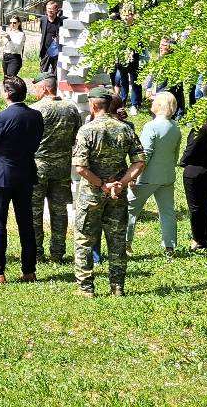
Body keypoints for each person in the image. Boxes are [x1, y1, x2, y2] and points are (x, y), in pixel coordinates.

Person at [72, 86, 146, 297]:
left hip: (91, 195)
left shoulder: (87, 130)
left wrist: (102, 184)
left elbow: (80, 168)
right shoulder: (125, 129)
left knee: (84, 239)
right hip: (117, 195)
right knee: (116, 240)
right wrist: (121, 183)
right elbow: (139, 162)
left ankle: (86, 288)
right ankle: (117, 286)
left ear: (93, 105)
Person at [0, 75, 43, 284]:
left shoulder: (1, 118)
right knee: (26, 223)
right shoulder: (35, 116)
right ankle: (29, 270)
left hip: (1, 175)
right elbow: (35, 143)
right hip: (25, 173)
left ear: (7, 94)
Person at [30, 73, 83, 264]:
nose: (34, 92)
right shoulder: (71, 108)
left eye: (36, 88)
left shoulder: (35, 110)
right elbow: (77, 136)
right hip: (62, 168)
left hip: (37, 168)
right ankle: (57, 253)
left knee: (34, 212)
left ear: (44, 88)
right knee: (59, 211)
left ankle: (36, 253)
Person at [127, 91, 182, 255]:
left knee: (130, 208)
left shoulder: (151, 126)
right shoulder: (175, 127)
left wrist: (133, 175)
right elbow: (175, 154)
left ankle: (125, 243)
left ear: (159, 105)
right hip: (167, 176)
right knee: (167, 211)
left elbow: (144, 155)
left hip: (147, 177)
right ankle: (169, 246)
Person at [181, 117, 207, 250]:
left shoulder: (201, 129)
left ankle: (198, 239)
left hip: (195, 171)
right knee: (205, 204)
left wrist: (182, 161)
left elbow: (191, 149)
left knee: (195, 207)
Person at [38, 0, 64, 74]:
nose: (49, 11)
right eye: (48, 9)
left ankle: (54, 84)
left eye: (51, 9)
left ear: (56, 10)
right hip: (45, 51)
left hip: (56, 51)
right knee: (43, 72)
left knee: (56, 72)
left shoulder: (61, 21)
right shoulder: (43, 20)